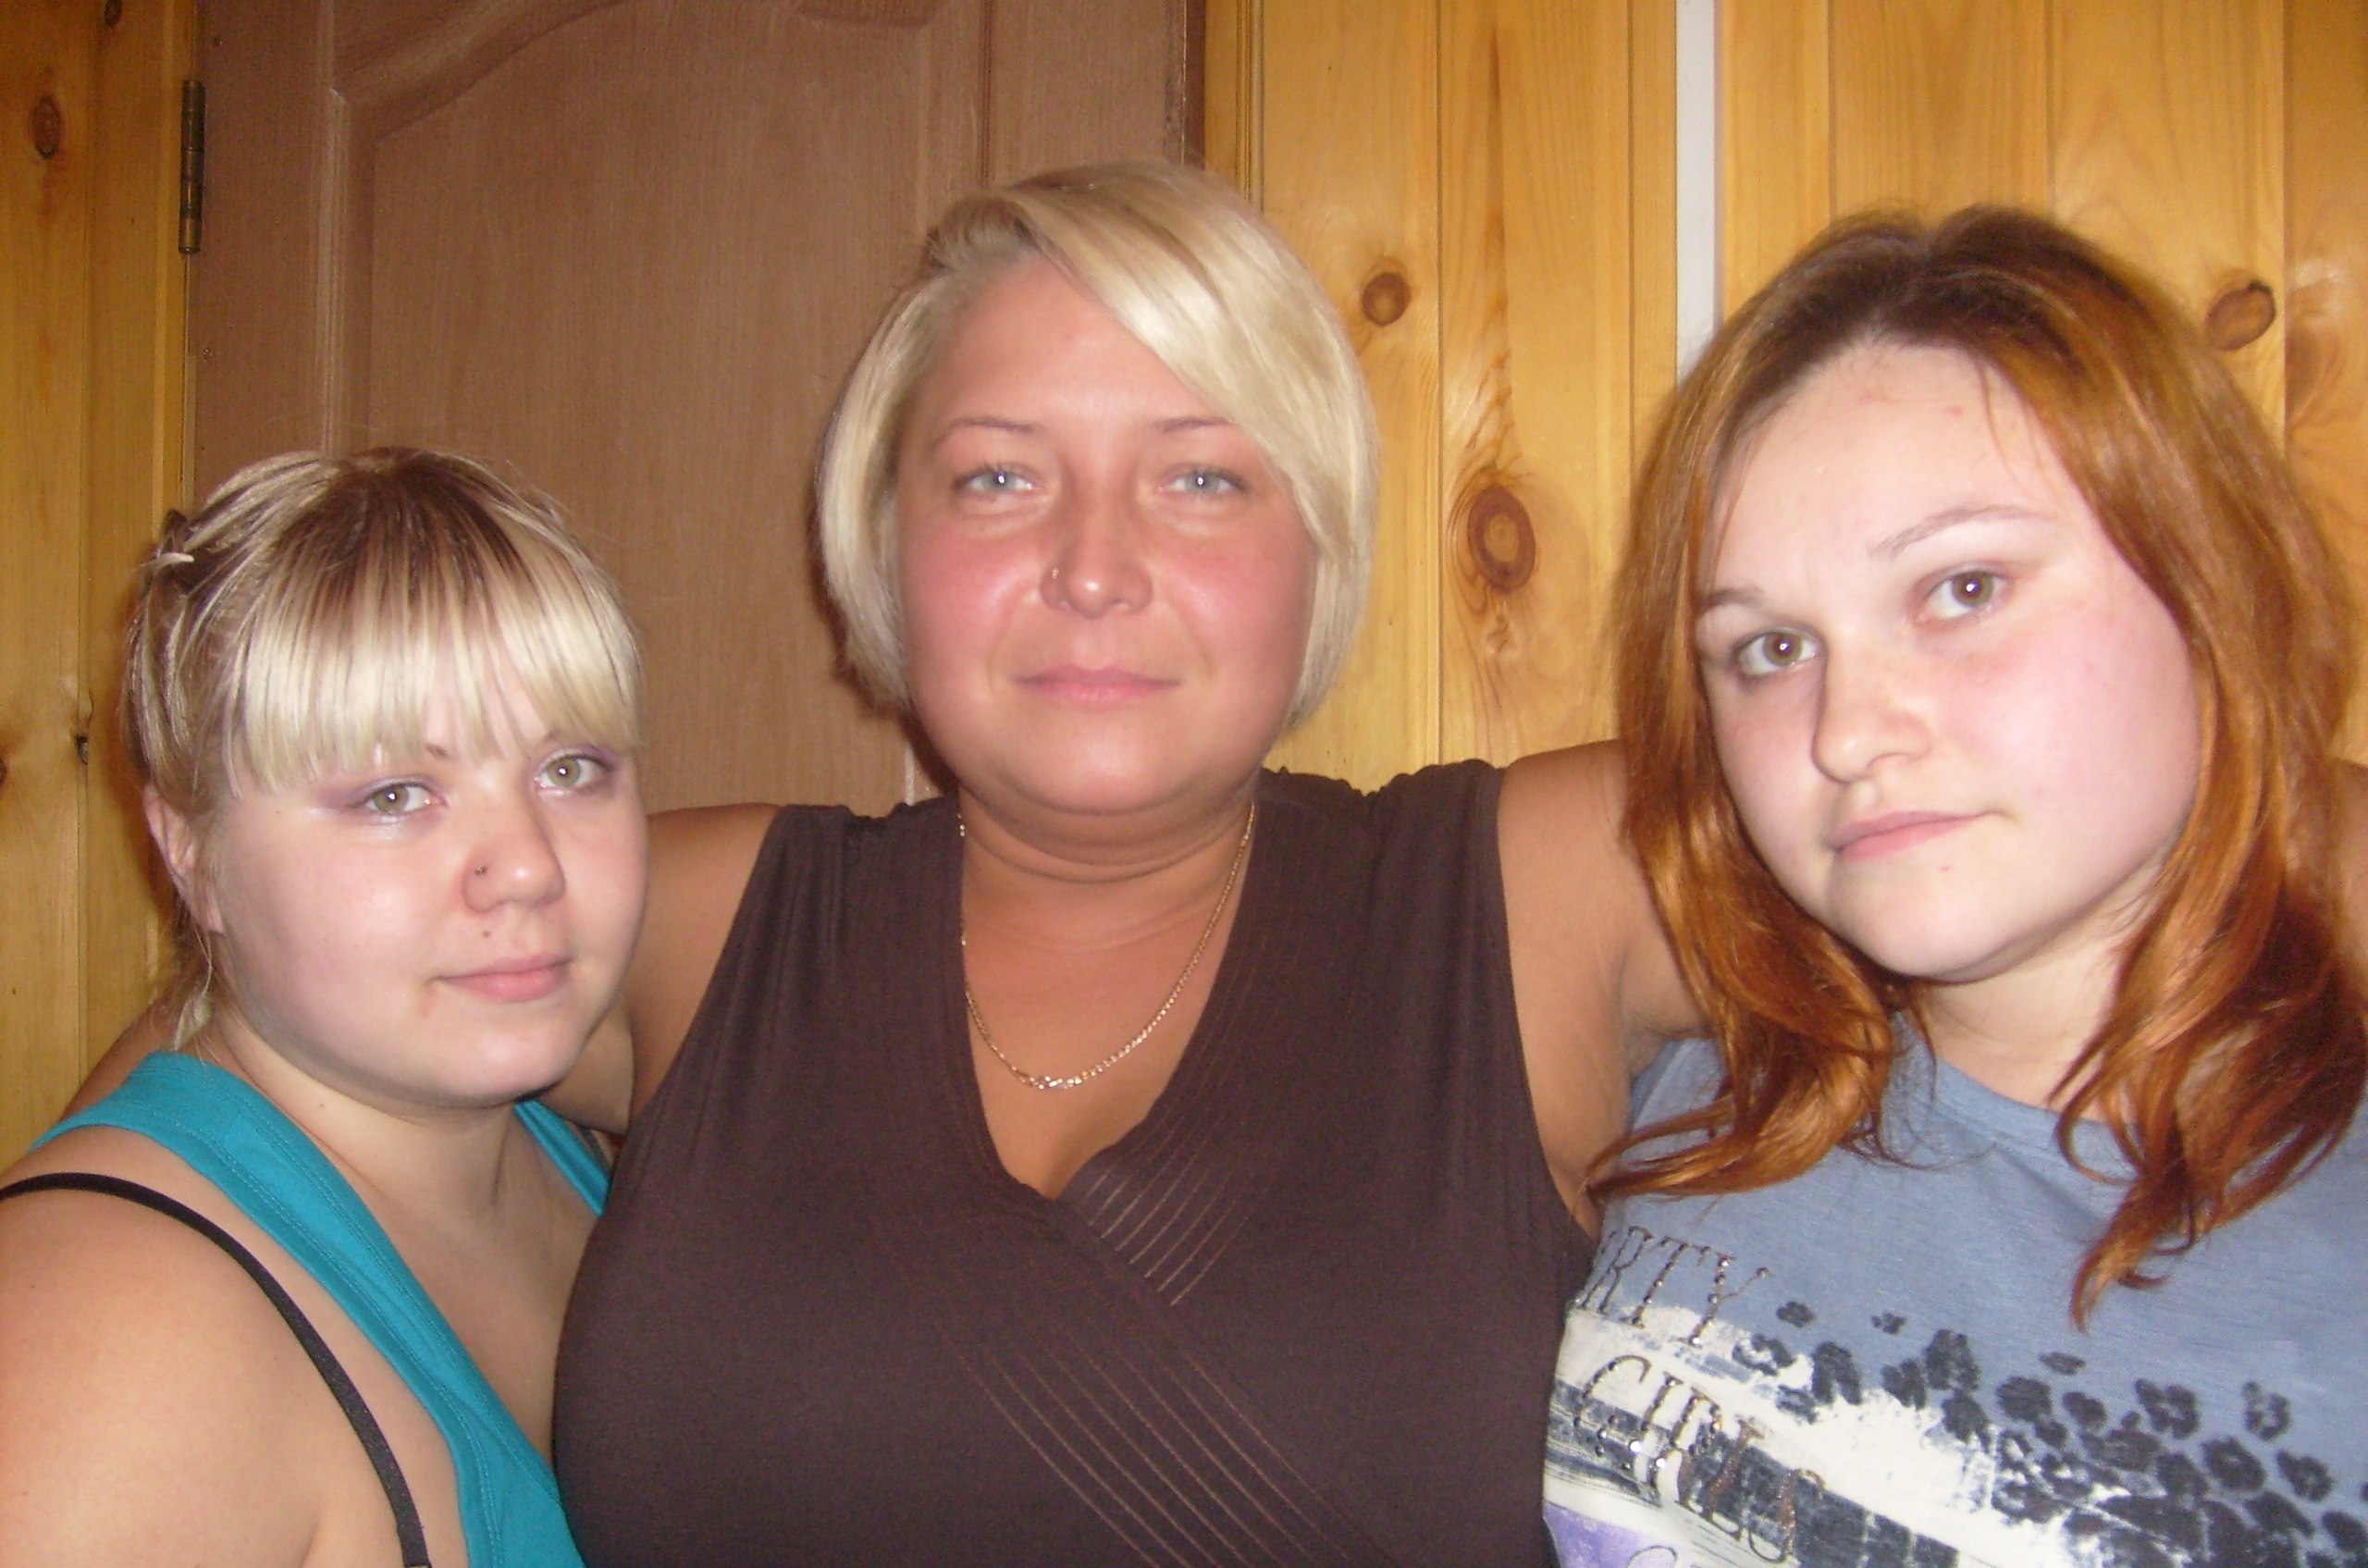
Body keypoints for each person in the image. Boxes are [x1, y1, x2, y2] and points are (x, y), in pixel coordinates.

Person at [550, 162, 1695, 1565]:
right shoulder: (690, 920)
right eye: (999, 477)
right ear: (887, 540)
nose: (1093, 567)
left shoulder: (1539, 892)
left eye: (1201, 477)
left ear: (1319, 540)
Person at [1544, 208, 2368, 1566]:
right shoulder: (1710, 1086)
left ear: (2211, 585)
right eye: (1771, 647)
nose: (1846, 731)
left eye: (1963, 587)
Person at [0, 450, 648, 1566]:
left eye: (572, 769)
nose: (529, 867)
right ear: (190, 850)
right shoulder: (110, 1329)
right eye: (394, 794)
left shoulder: (571, 1145)